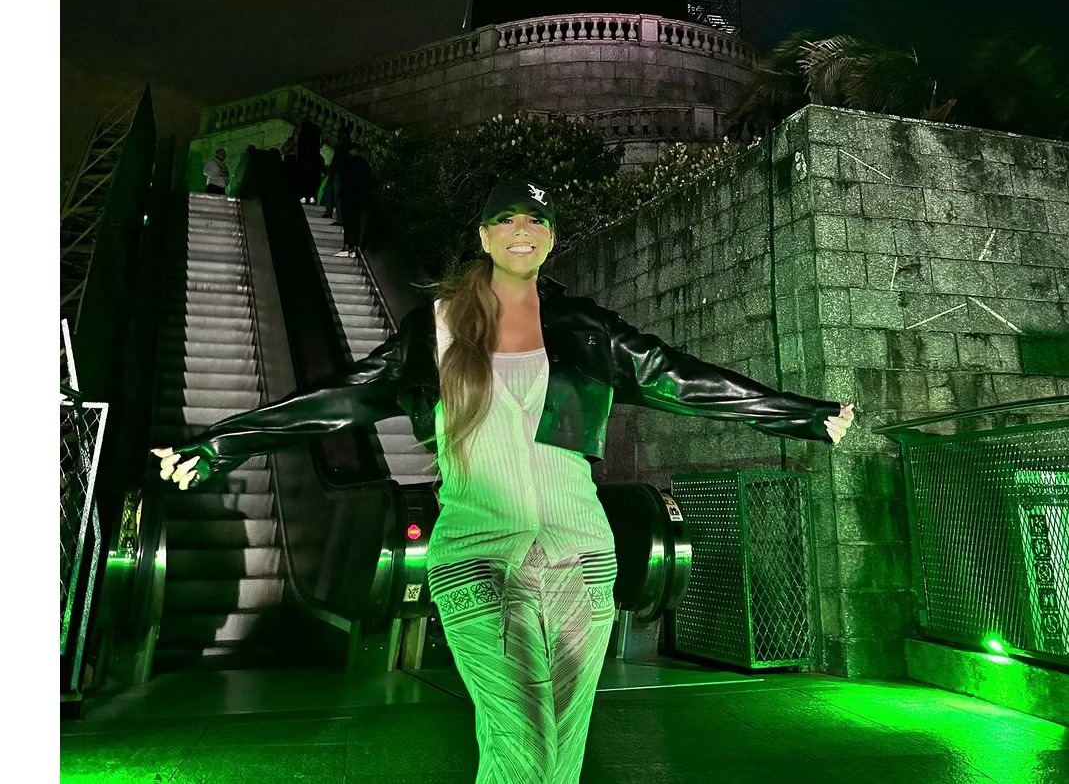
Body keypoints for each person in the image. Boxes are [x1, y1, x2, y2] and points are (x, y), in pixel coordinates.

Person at [153, 177, 854, 784]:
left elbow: (682, 379)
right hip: (477, 559)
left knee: (557, 757)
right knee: (524, 747)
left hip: (582, 561)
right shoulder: (434, 329)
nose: (523, 230)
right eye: (507, 218)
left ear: (551, 238)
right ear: (484, 236)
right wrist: (219, 444)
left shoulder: (583, 328)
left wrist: (802, 416)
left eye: (537, 219)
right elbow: (340, 398)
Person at [335, 141, 372, 258]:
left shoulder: (346, 163)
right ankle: (354, 246)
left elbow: (342, 179)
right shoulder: (364, 165)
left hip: (348, 196)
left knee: (348, 222)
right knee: (355, 222)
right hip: (358, 197)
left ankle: (347, 244)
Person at [321, 123, 354, 223]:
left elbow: (343, 161)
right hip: (336, 172)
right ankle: (330, 212)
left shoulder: (346, 147)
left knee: (337, 195)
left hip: (340, 173)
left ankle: (338, 217)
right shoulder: (343, 147)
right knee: (330, 192)